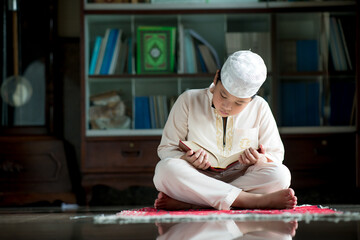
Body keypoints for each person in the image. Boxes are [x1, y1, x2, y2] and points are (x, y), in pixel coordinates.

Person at [153, 50, 297, 210]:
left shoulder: (260, 107)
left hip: (240, 177)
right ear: (216, 78)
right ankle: (250, 200)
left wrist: (259, 160)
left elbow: (276, 155)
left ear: (251, 99)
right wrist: (186, 159)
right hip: (197, 176)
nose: (227, 107)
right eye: (223, 95)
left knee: (281, 175)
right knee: (165, 170)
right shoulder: (188, 100)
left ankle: (196, 201)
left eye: (239, 103)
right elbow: (166, 149)